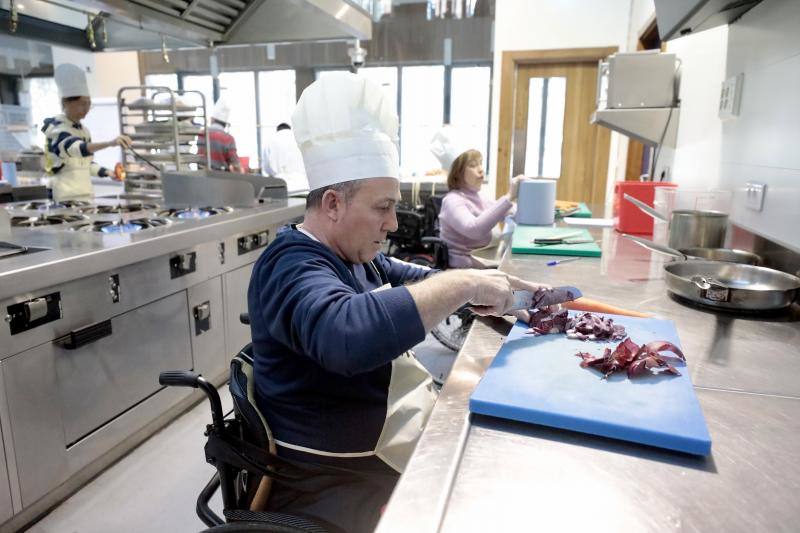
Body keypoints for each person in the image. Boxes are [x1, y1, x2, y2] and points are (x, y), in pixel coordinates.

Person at [247, 73, 540, 533]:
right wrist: (463, 285)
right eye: (382, 207)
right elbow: (347, 335)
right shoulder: (290, 264)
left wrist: (487, 281)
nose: (392, 223)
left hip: (386, 439)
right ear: (332, 204)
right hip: (338, 475)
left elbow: (418, 278)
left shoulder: (362, 258)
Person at [42, 63, 131, 201]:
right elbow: (76, 148)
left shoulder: (84, 131)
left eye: (89, 103)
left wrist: (108, 172)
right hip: (63, 198)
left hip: (86, 196)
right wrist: (110, 143)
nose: (86, 108)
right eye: (82, 103)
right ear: (66, 102)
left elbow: (86, 164)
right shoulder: (56, 128)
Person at [437, 147, 524, 269]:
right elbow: (474, 230)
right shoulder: (452, 200)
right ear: (457, 173)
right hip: (463, 269)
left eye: (481, 164)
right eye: (473, 165)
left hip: (484, 260)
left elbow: (510, 211)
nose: (481, 170)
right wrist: (509, 196)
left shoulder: (480, 198)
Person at [198, 95, 242, 173]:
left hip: (202, 174)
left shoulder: (202, 134)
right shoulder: (228, 138)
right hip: (221, 177)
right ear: (225, 124)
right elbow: (235, 164)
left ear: (212, 119)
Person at [261, 122, 308, 192]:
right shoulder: (299, 138)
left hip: (280, 186)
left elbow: (266, 167)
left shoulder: (270, 140)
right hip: (303, 185)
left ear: (278, 130)